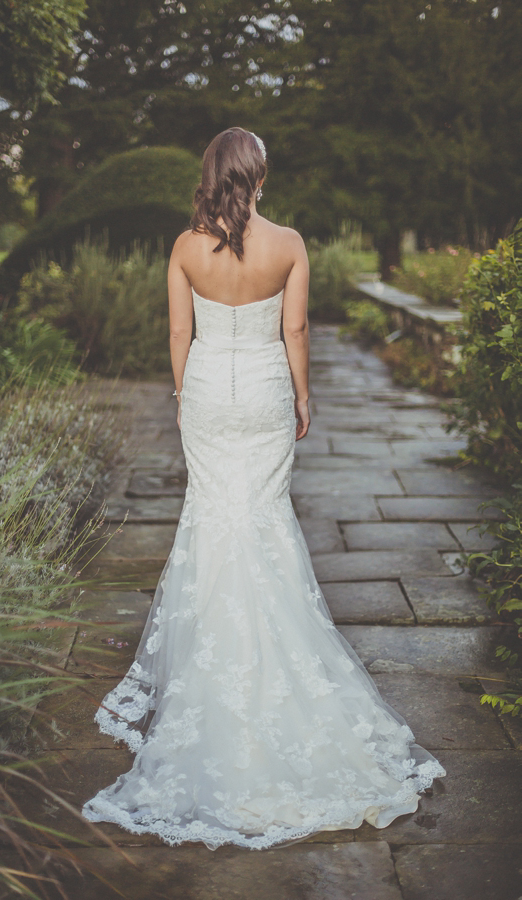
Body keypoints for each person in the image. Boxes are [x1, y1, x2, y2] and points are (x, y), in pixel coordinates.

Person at [81, 127, 445, 850]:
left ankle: (213, 666)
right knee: (264, 520)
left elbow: (179, 334)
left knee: (214, 519)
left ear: (210, 175)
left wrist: (186, 396)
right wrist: (303, 398)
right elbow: (297, 328)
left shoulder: (186, 249)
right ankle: (276, 666)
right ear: (259, 177)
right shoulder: (290, 243)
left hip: (211, 394)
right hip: (268, 395)